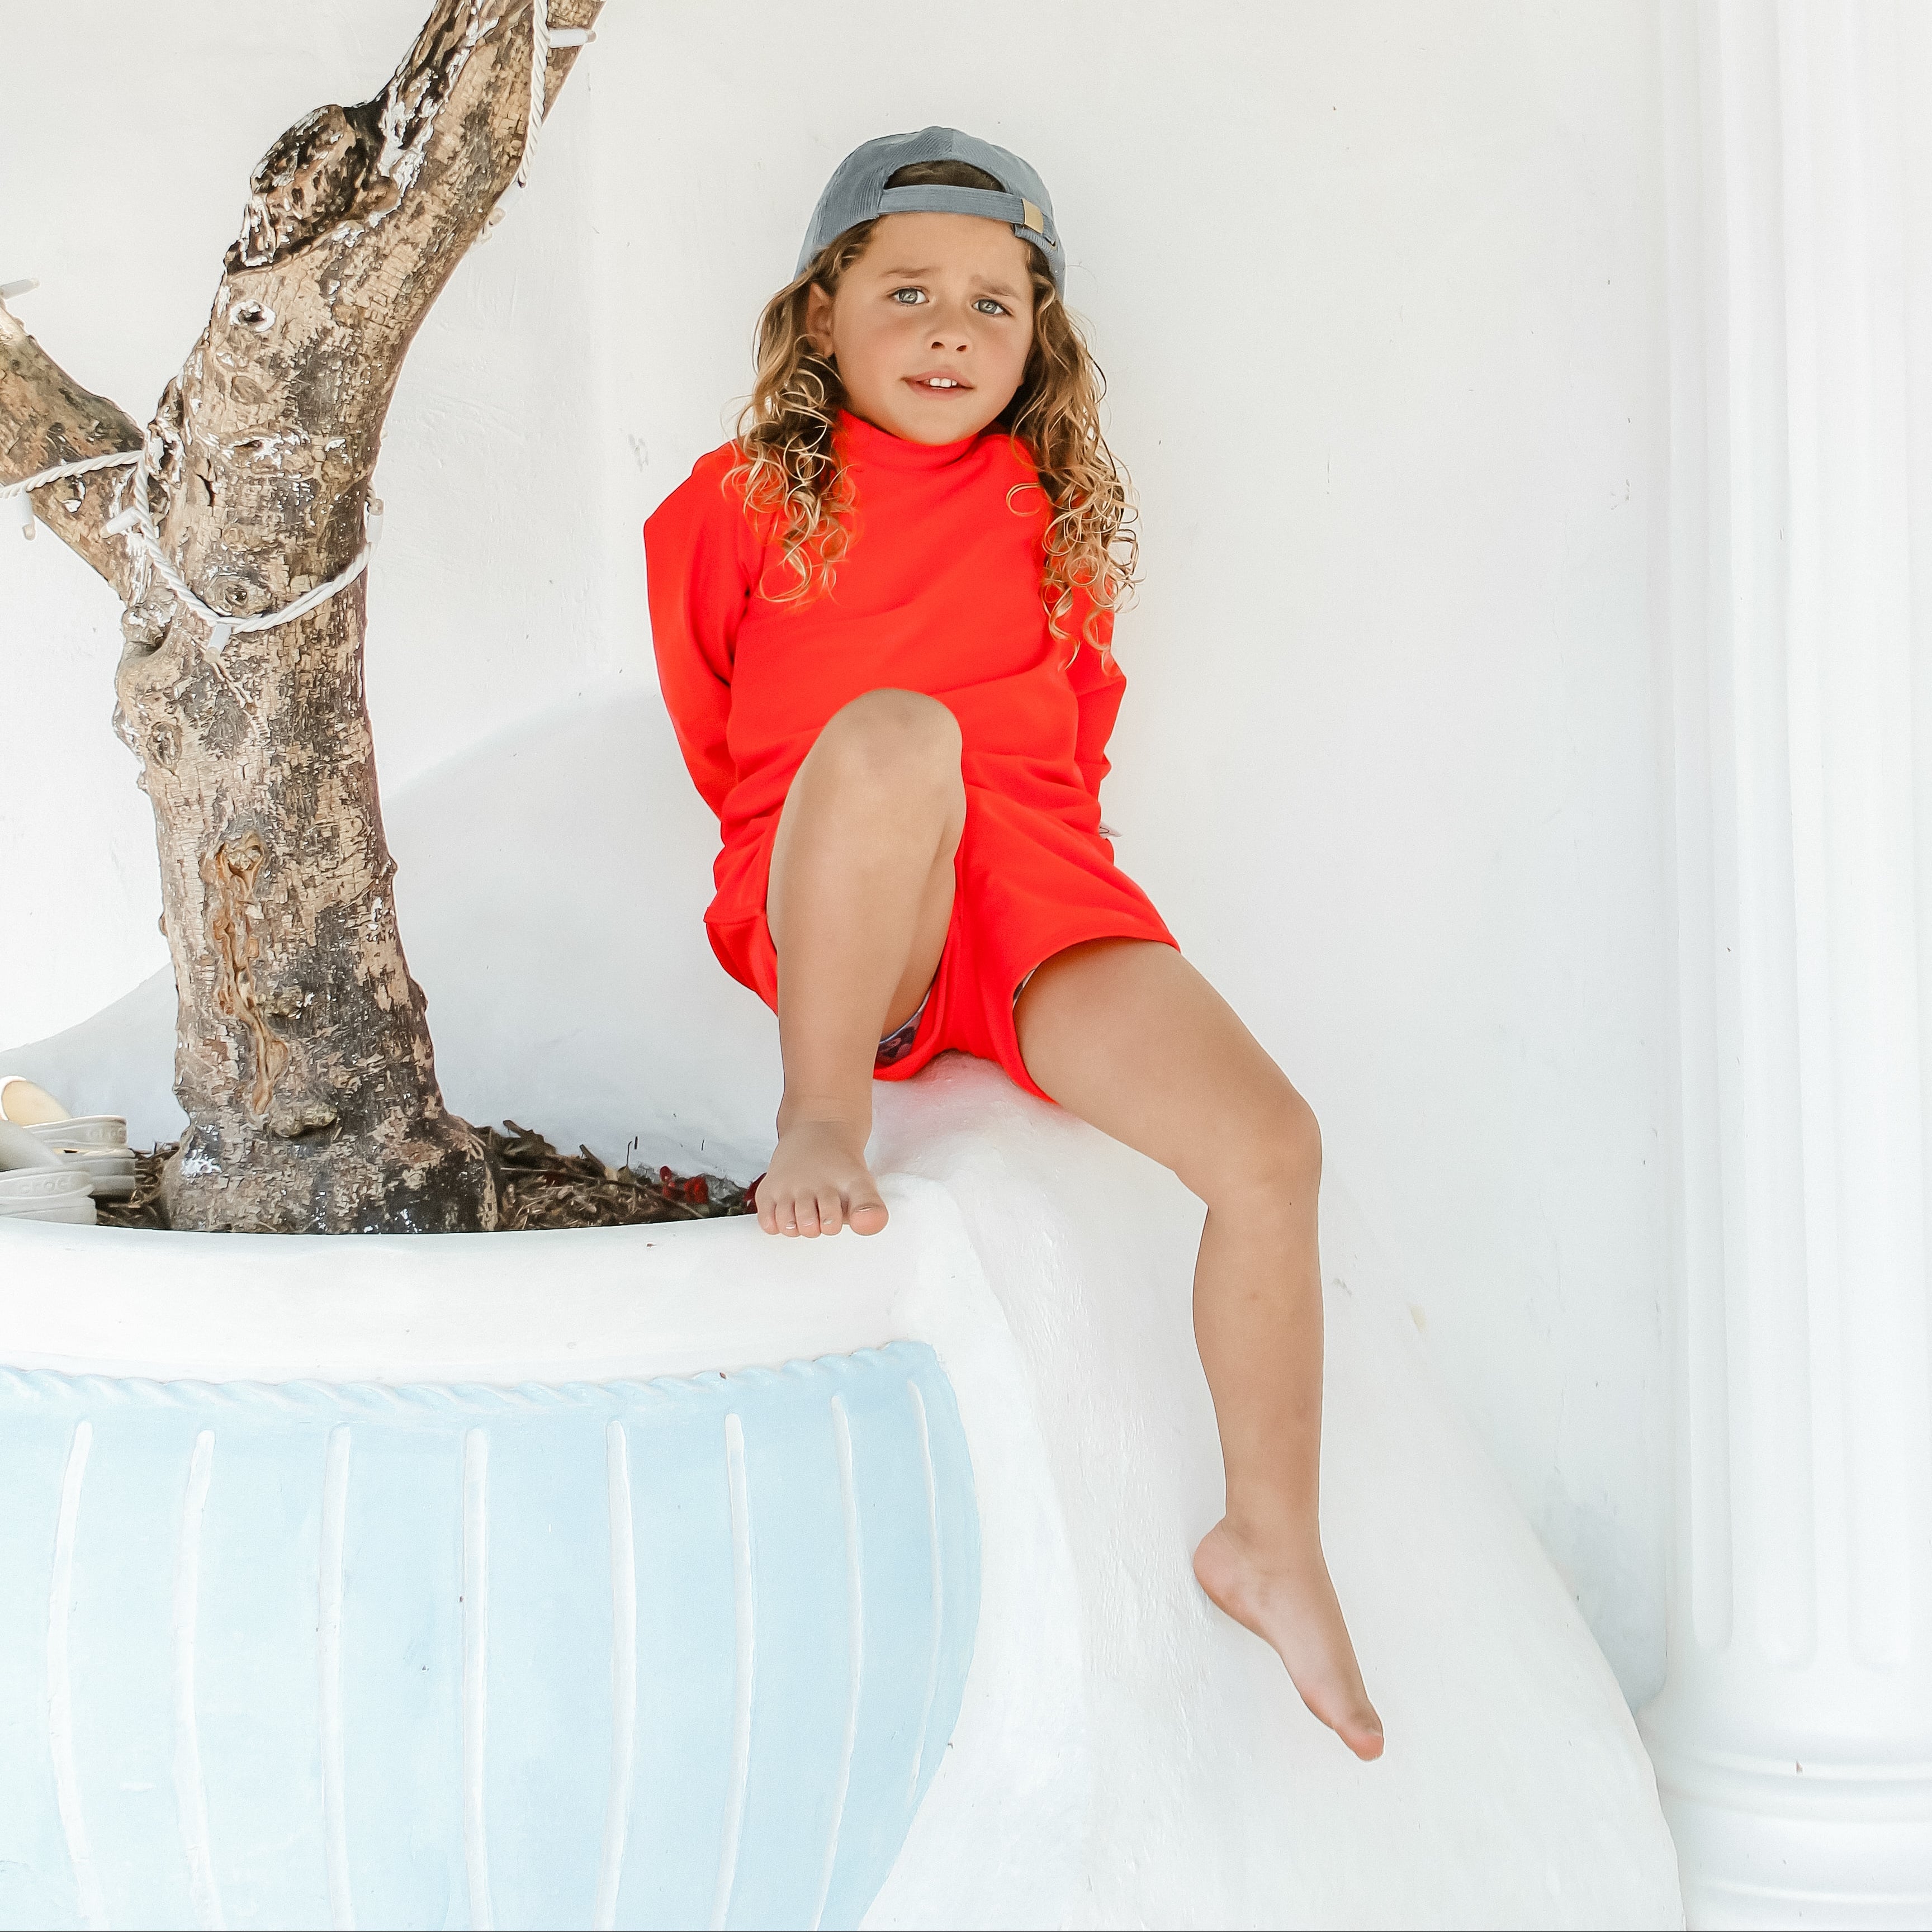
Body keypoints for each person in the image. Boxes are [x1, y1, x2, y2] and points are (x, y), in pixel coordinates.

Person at [643, 129, 1382, 1760]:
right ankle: (821, 1107)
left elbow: (1076, 740)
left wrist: (1049, 930)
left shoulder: (1050, 514)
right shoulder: (741, 501)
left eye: (993, 298)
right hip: (855, 878)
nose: (951, 328)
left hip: (1032, 887)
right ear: (822, 310)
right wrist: (848, 851)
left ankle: (1270, 1538)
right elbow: (717, 726)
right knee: (902, 736)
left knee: (1271, 1148)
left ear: (1038, 333)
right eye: (906, 291)